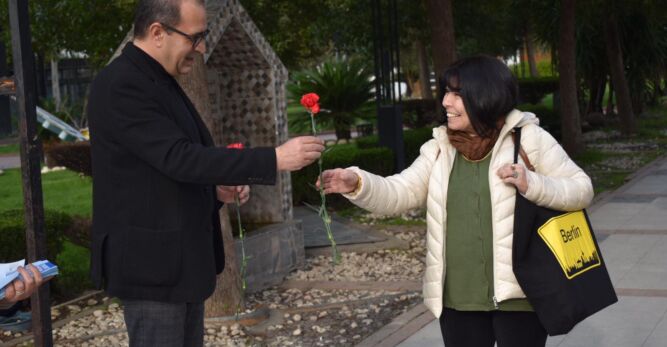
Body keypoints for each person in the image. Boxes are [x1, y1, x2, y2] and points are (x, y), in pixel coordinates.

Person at [86, 0, 324, 346]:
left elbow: (155, 171)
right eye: (195, 37)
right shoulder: (122, 84)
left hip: (176, 265)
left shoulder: (158, 79)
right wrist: (274, 158)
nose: (201, 48)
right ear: (157, 33)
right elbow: (179, 157)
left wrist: (214, 191)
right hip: (152, 270)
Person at [318, 55, 593, 347]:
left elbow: (581, 189)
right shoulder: (439, 148)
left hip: (521, 295)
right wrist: (357, 182)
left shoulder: (530, 139)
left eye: (457, 94)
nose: (446, 102)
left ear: (486, 95)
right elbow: (399, 191)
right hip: (458, 299)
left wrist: (532, 183)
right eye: (446, 93)